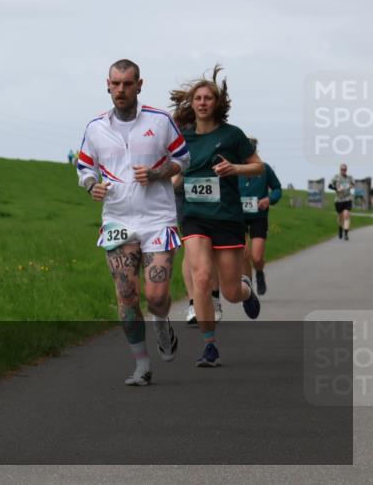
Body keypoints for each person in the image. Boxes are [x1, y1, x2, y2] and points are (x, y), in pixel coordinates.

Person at [77, 59, 189, 386]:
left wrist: (156, 173)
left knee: (155, 297)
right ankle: (141, 365)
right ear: (107, 85)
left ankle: (162, 322)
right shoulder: (96, 127)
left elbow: (184, 158)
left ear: (140, 85)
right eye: (115, 84)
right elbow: (84, 168)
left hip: (157, 218)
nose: (121, 90)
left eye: (127, 84)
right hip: (117, 220)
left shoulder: (161, 120)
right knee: (126, 295)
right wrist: (90, 185)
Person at [170, 65, 264, 367]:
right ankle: (209, 346)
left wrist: (235, 169)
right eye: (197, 98)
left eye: (208, 97)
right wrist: (175, 179)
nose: (202, 102)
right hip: (195, 216)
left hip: (227, 217)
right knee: (200, 276)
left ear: (217, 102)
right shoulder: (183, 138)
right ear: (191, 102)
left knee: (231, 290)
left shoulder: (232, 135)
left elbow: (258, 166)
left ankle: (247, 292)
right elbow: (176, 171)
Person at [176, 173, 223, 325]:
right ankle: (193, 305)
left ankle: (214, 299)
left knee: (209, 249)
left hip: (211, 187)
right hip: (184, 193)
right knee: (190, 249)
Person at [239, 137, 282, 295]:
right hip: (239, 217)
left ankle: (259, 273)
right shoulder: (234, 169)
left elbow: (277, 189)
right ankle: (248, 287)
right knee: (244, 253)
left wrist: (269, 199)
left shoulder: (264, 169)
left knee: (256, 257)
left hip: (258, 217)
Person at [329, 164, 355, 241]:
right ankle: (340, 227)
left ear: (346, 170)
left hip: (347, 199)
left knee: (346, 215)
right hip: (338, 200)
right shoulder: (336, 177)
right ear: (340, 170)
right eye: (342, 169)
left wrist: (351, 186)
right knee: (340, 217)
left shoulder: (349, 177)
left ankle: (346, 234)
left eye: (345, 169)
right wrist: (336, 189)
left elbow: (353, 184)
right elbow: (329, 186)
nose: (343, 171)